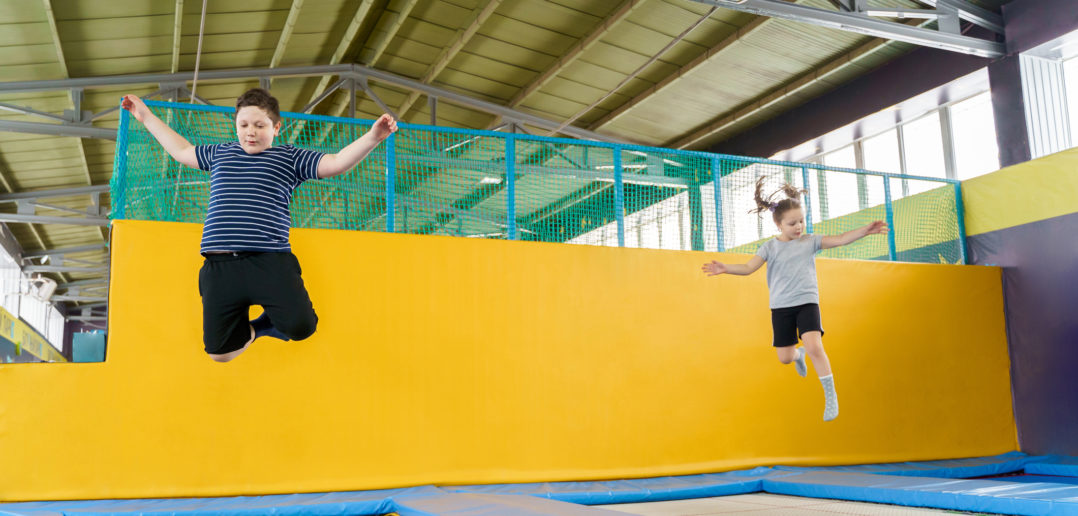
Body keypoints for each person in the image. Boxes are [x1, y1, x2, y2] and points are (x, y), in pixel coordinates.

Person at [121, 88, 397, 362]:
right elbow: (181, 150)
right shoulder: (220, 154)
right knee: (220, 354)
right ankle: (262, 327)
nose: (250, 131)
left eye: (259, 125)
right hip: (221, 267)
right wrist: (145, 116)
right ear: (236, 126)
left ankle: (271, 323)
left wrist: (373, 137)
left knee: (302, 327)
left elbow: (336, 162)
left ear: (276, 128)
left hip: (269, 261)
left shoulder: (289, 158)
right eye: (243, 125)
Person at [701, 177, 888, 421]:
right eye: (792, 223)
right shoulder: (769, 248)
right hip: (781, 307)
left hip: (806, 302)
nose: (799, 227)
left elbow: (841, 239)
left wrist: (866, 230)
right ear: (778, 224)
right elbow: (748, 268)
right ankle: (798, 355)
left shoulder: (809, 241)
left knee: (814, 346)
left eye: (801, 221)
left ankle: (830, 395)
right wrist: (726, 268)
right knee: (785, 358)